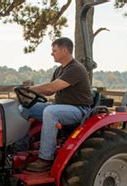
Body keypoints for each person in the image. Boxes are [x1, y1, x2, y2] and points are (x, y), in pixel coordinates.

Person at [25, 37, 93, 172]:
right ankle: (20, 148)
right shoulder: (59, 70)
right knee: (25, 108)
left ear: (64, 50)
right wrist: (30, 96)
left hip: (79, 110)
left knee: (50, 112)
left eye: (54, 50)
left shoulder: (76, 69)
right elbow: (49, 93)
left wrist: (30, 89)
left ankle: (45, 159)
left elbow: (51, 88)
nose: (52, 54)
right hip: (62, 106)